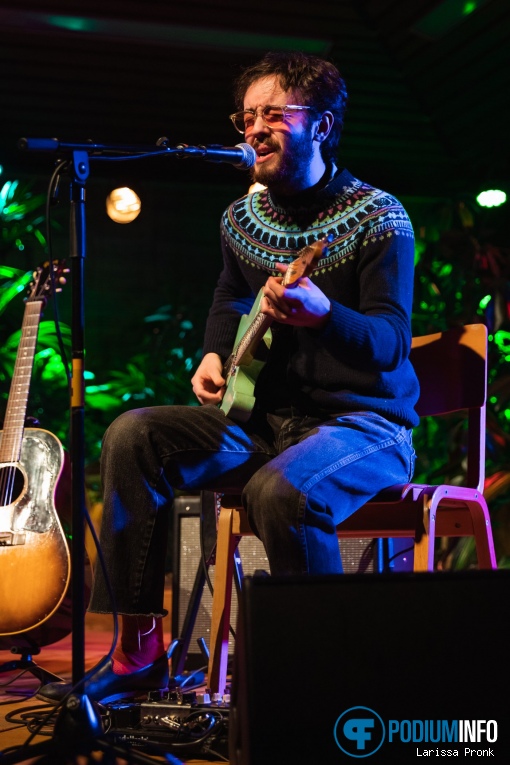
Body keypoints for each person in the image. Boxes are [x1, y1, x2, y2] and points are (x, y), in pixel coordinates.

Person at [39, 50, 419, 704]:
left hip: (364, 425)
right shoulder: (241, 219)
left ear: (322, 126)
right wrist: (216, 354)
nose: (254, 130)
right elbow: (229, 295)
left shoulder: (379, 216)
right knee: (134, 434)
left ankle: (319, 685)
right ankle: (137, 655)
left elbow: (388, 342)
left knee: (282, 493)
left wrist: (324, 314)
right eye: (247, 117)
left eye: (274, 114)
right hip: (267, 423)